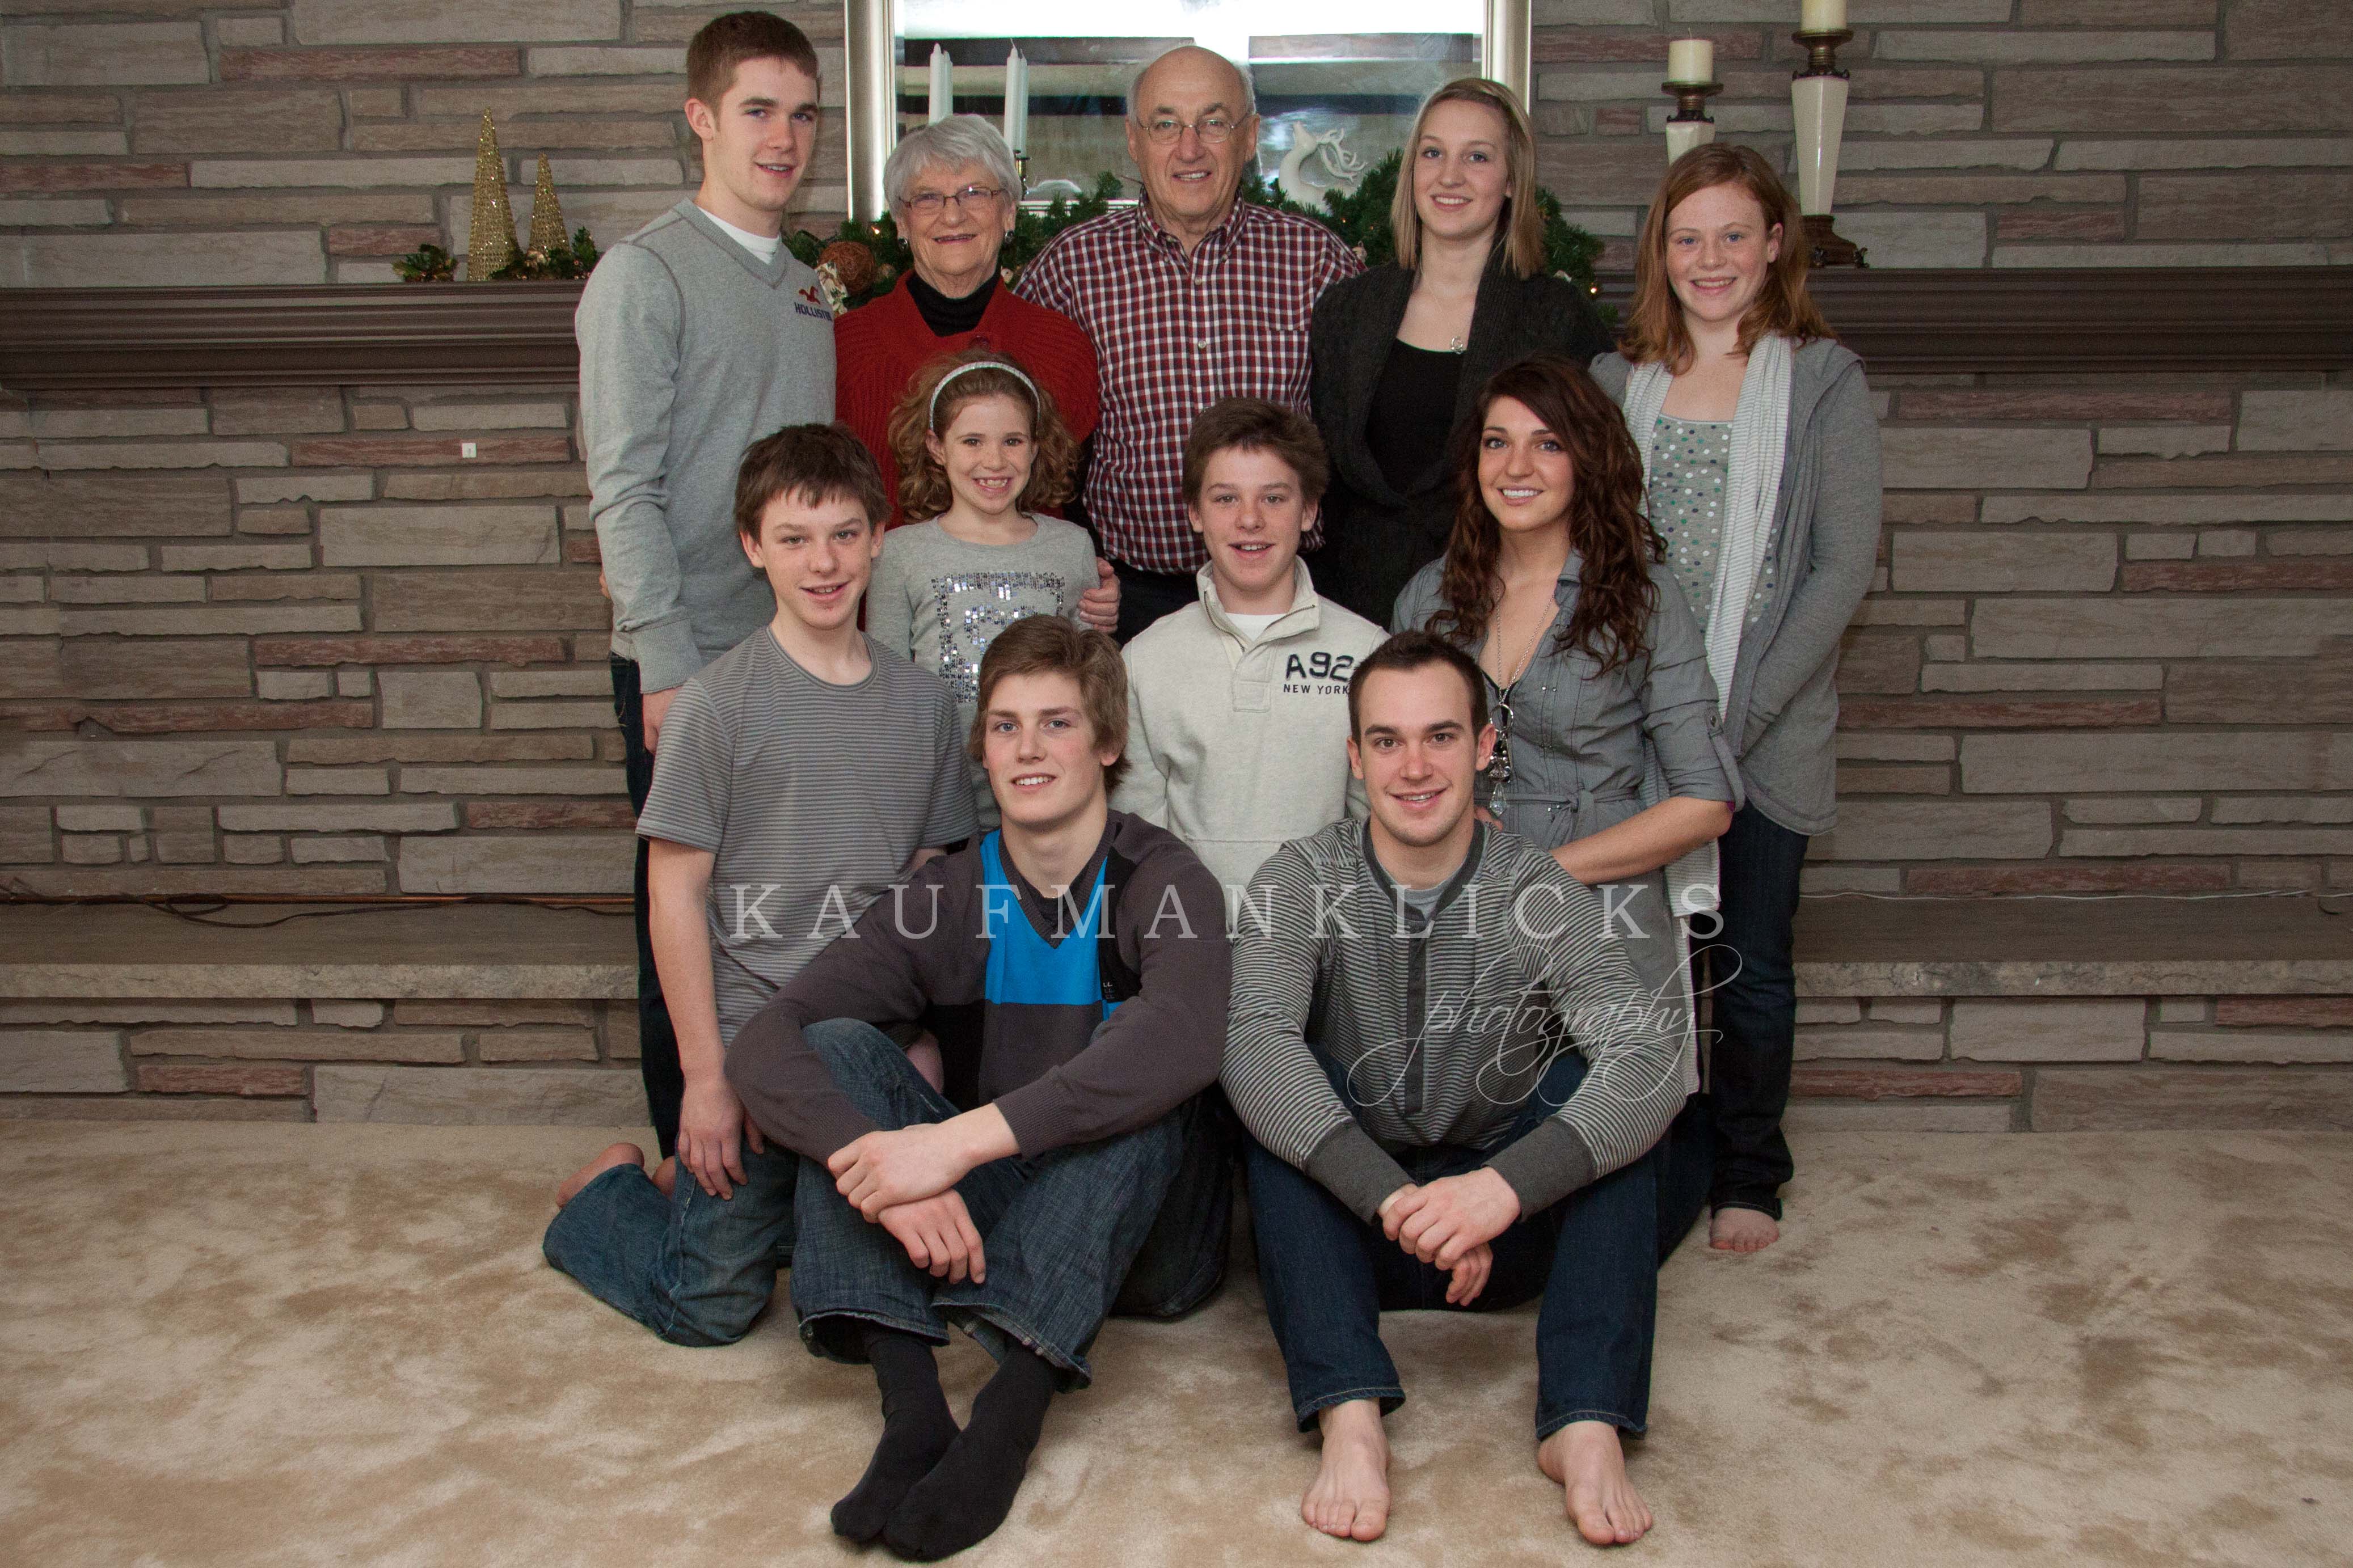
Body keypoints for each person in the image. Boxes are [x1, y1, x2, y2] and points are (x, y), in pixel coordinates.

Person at [722, 615, 1233, 1560]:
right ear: (982, 750)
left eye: (1056, 723)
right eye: (1005, 726)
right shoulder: (949, 892)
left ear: (1107, 743)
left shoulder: (1164, 880)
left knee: (1147, 1082)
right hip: (993, 1218)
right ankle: (912, 1410)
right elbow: (767, 1039)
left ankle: (1008, 1417)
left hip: (1148, 1245)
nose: (1027, 748)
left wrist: (948, 1145)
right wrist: (880, 1168)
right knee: (837, 1049)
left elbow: (1188, 1038)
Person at [1224, 631, 1689, 1547]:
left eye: (1439, 736)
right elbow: (1254, 1046)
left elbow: (1647, 1057)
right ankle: (1350, 1414)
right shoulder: (1300, 878)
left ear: (1482, 747)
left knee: (1618, 1099)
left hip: (1506, 1230)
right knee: (1278, 1084)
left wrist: (1498, 1192)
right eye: (1387, 740)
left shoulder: (1540, 889)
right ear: (1355, 757)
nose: (1414, 766)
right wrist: (1394, 1199)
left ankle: (1585, 1420)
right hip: (1358, 1228)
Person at [542, 425, 977, 1346]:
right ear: (752, 547)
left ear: (878, 538)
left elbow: (930, 881)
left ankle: (754, 1200)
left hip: (868, 1040)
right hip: (755, 1046)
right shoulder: (716, 704)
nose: (824, 562)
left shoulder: (923, 705)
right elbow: (673, 896)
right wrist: (705, 1078)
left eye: (845, 534)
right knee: (706, 1308)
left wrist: (920, 1038)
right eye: (794, 538)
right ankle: (610, 1189)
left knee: (897, 1284)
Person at [1591, 144, 1881, 1254]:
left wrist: (1730, 722)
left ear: (1773, 245)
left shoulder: (1822, 381)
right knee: (1632, 959)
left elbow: (1839, 568)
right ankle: (1642, 1147)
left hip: (1766, 731)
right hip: (1632, 726)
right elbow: (1588, 546)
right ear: (1658, 253)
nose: (1708, 259)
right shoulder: (1616, 381)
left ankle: (1750, 1165)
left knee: (1748, 962)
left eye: (1731, 235)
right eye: (1686, 237)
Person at [577, 11, 837, 1156]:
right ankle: (694, 1163)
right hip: (689, 659)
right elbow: (622, 487)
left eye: (803, 114)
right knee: (683, 915)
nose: (783, 137)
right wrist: (663, 659)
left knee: (785, 916)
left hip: (798, 654)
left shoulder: (808, 287)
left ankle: (779, 1147)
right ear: (701, 117)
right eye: (757, 110)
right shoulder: (643, 275)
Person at [1393, 354, 1736, 1123]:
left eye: (1546, 443)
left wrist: (1538, 875)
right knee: (1453, 1125)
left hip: (1604, 904)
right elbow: (1392, 765)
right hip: (1461, 906)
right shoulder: (1428, 598)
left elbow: (1706, 802)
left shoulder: (1642, 599)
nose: (1516, 467)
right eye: (1496, 442)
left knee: (1604, 1131)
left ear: (1587, 459)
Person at [1017, 43, 1363, 640]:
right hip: (1132, 597)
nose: (1189, 148)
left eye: (1213, 122)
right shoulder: (1070, 268)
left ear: (1249, 137)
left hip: (1286, 590)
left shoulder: (1316, 261)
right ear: (1133, 140)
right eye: (1165, 125)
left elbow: (1358, 440)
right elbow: (1024, 433)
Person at [1309, 77, 1613, 628]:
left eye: (1477, 156)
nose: (1449, 176)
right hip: (1349, 611)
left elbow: (1595, 480)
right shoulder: (1347, 310)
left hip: (1496, 609)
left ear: (1512, 180)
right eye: (1433, 153)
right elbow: (1324, 475)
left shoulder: (1556, 318)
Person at [1112, 396, 1384, 897]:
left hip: (1328, 927)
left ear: (1309, 510)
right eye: (1225, 499)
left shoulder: (1369, 652)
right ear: (1195, 512)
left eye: (1274, 498)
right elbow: (1137, 835)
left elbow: (1380, 824)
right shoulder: (1145, 659)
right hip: (1191, 928)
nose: (1250, 519)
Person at [832, 115, 1104, 540]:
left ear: (1009, 213)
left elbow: (1074, 506)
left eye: (975, 194)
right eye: (927, 198)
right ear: (902, 221)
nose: (953, 216)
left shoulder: (1062, 347)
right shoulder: (846, 347)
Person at [870, 349, 1107, 827]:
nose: (994, 461)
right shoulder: (899, 553)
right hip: (939, 806)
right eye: (972, 441)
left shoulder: (1071, 546)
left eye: (1012, 440)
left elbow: (1092, 685)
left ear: (1036, 446)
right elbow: (885, 693)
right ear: (937, 446)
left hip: (1047, 794)